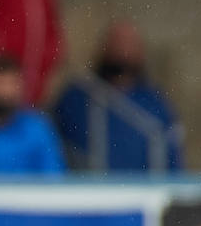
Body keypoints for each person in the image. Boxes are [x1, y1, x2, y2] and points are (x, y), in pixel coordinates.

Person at [52, 19, 183, 172]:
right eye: (118, 41)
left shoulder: (156, 106)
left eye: (130, 43)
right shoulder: (78, 97)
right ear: (104, 47)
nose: (123, 49)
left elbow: (172, 162)